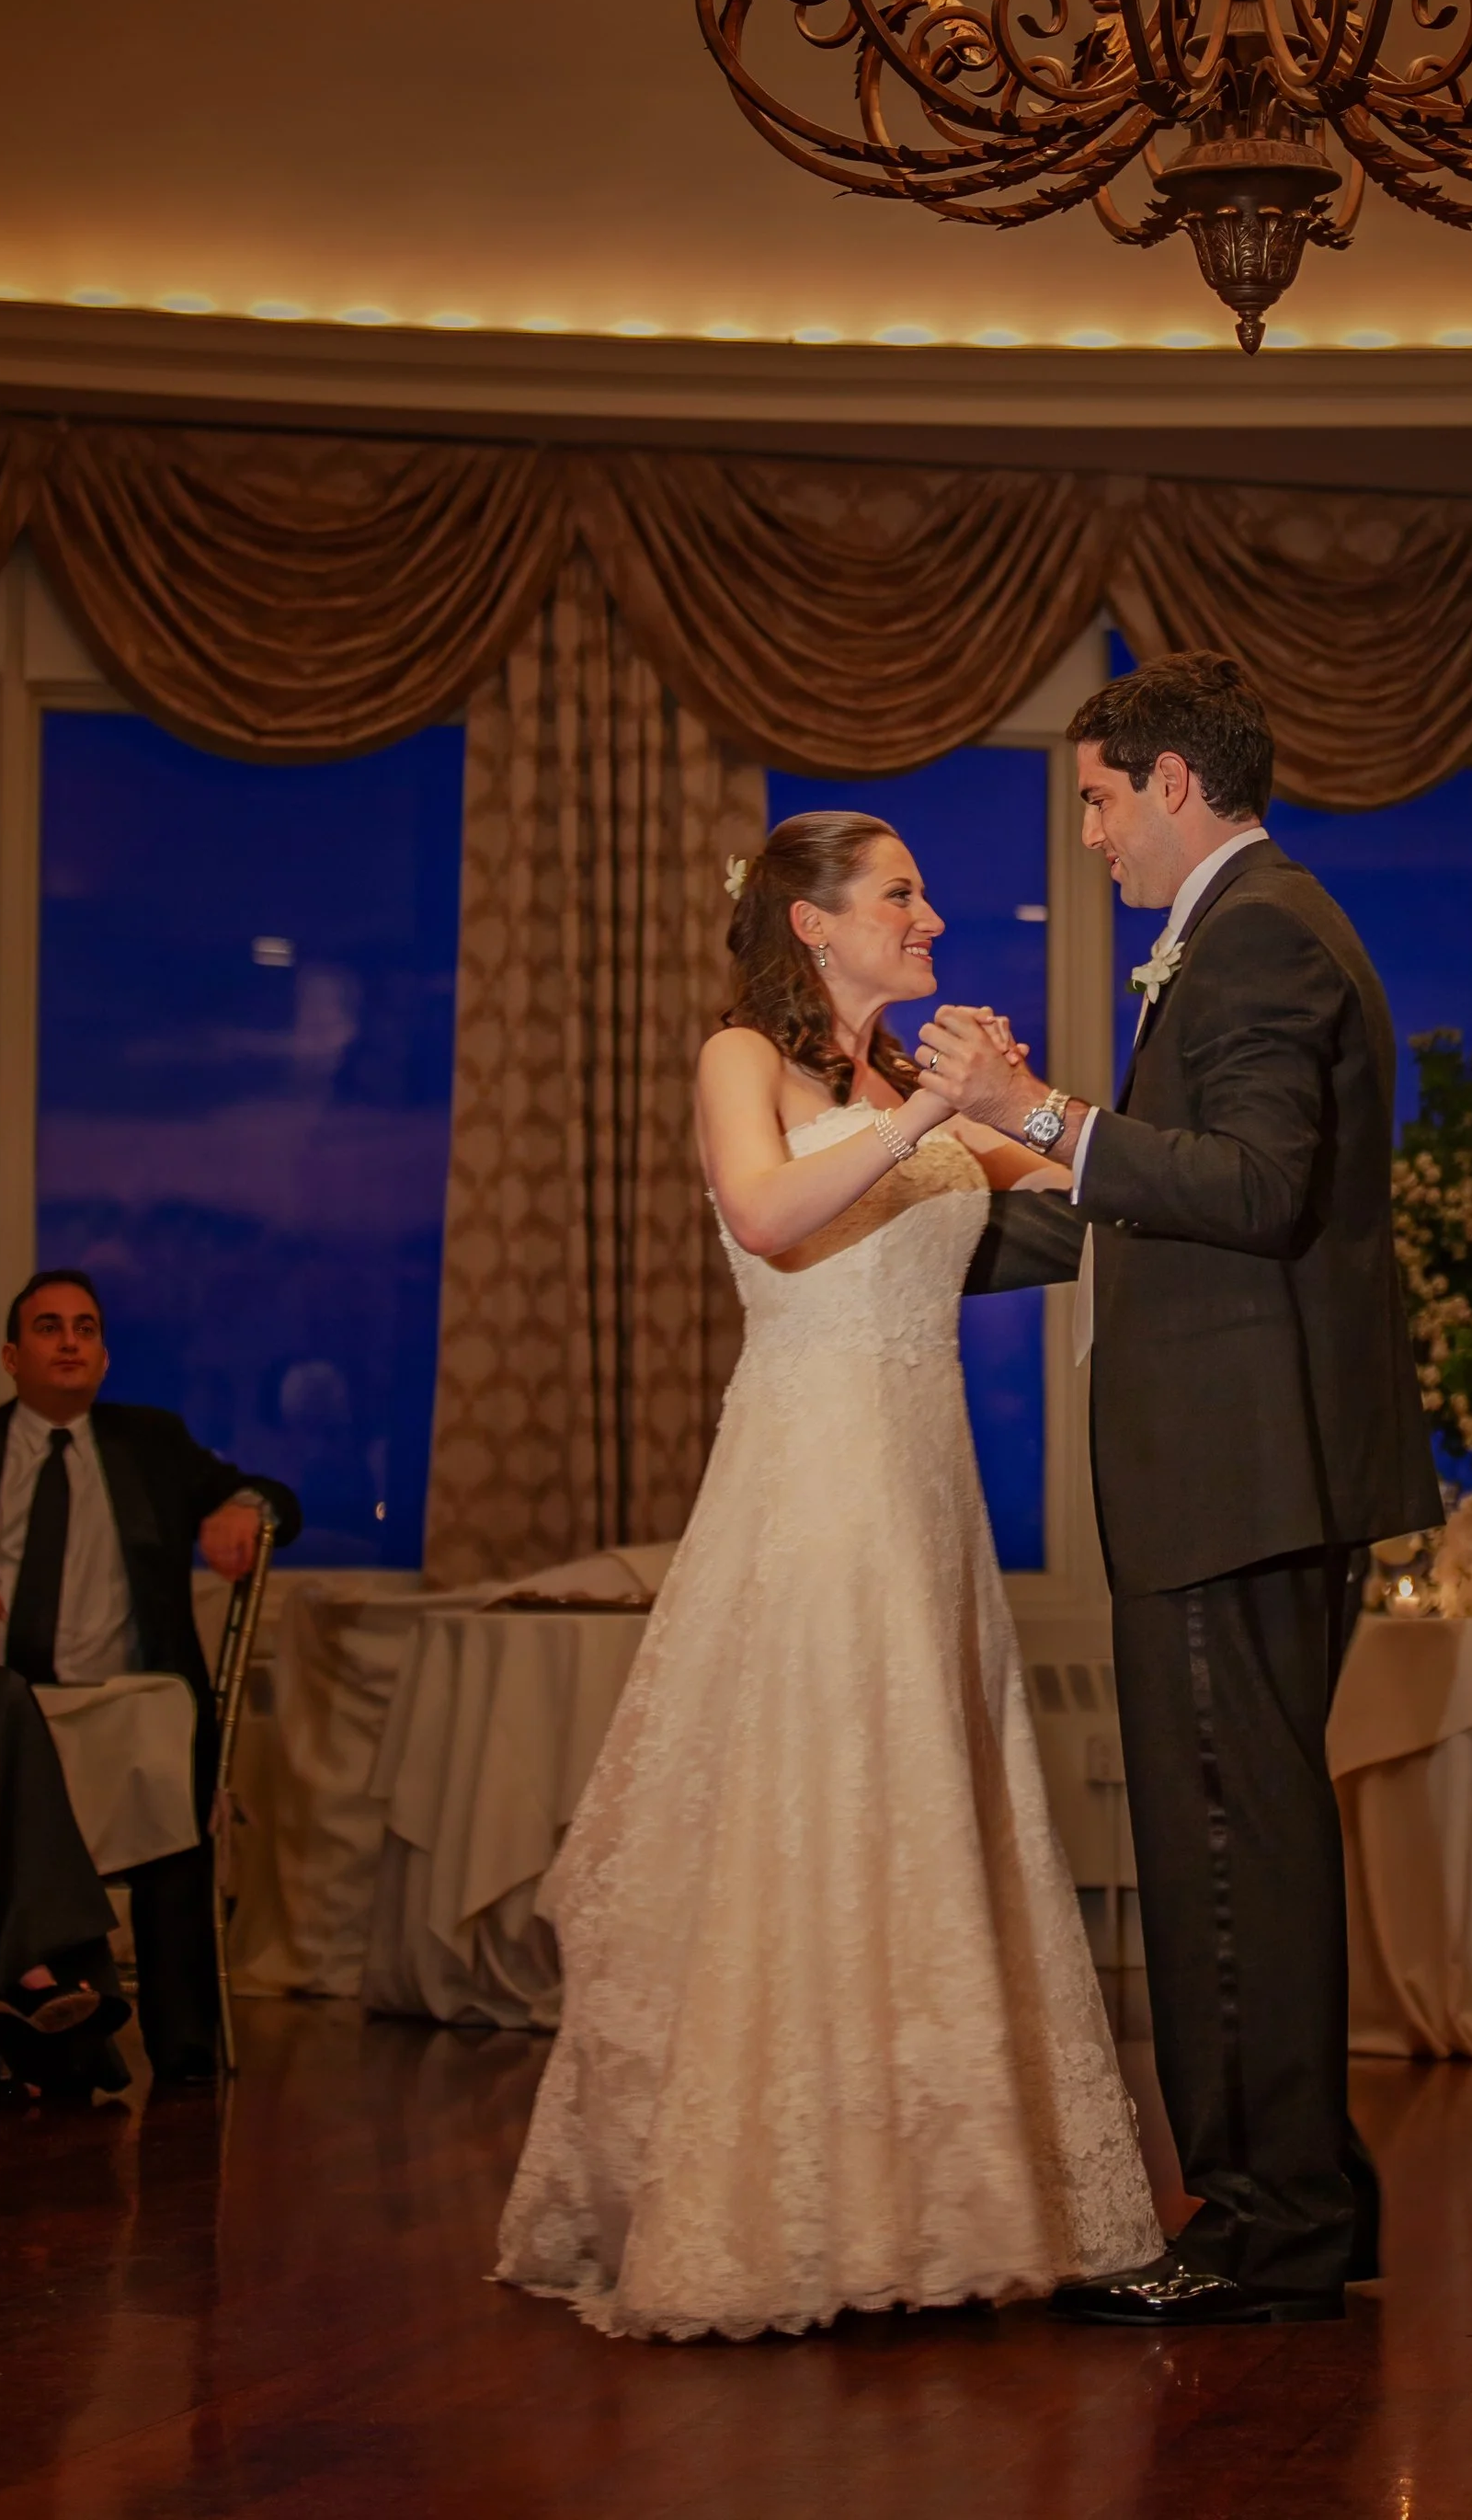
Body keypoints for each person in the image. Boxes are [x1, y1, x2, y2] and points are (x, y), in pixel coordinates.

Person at [496, 812, 1161, 2342]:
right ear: (811, 922)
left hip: (923, 1496)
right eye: (902, 892)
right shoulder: (745, 1056)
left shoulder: (903, 1084)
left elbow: (1081, 1189)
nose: (930, 915)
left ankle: (935, 2199)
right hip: (806, 1484)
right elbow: (764, 1212)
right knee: (807, 1810)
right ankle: (788, 2199)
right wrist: (921, 1108)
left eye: (923, 889)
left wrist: (1009, 1097)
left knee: (924, 1811)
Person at [918, 649, 1433, 2328]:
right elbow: (1152, 1201)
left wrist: (1038, 1107)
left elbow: (1261, 1187)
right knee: (1244, 1839)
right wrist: (907, 1232)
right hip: (1243, 1473)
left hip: (1238, 1476)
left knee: (1225, 1850)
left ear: (1171, 784)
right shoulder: (1243, 928)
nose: (1084, 834)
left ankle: (1259, 2223)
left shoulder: (1261, 929)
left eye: (1092, 796)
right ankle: (1304, 2199)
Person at [0, 1269, 302, 2093]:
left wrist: (244, 1507)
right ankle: (59, 2020)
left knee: (162, 1754)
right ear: (9, 1354)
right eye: (48, 1327)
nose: (70, 1341)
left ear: (102, 1358)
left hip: (119, 1709)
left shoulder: (151, 1442)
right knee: (5, 1729)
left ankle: (167, 2052)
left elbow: (277, 1496)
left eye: (86, 1328)